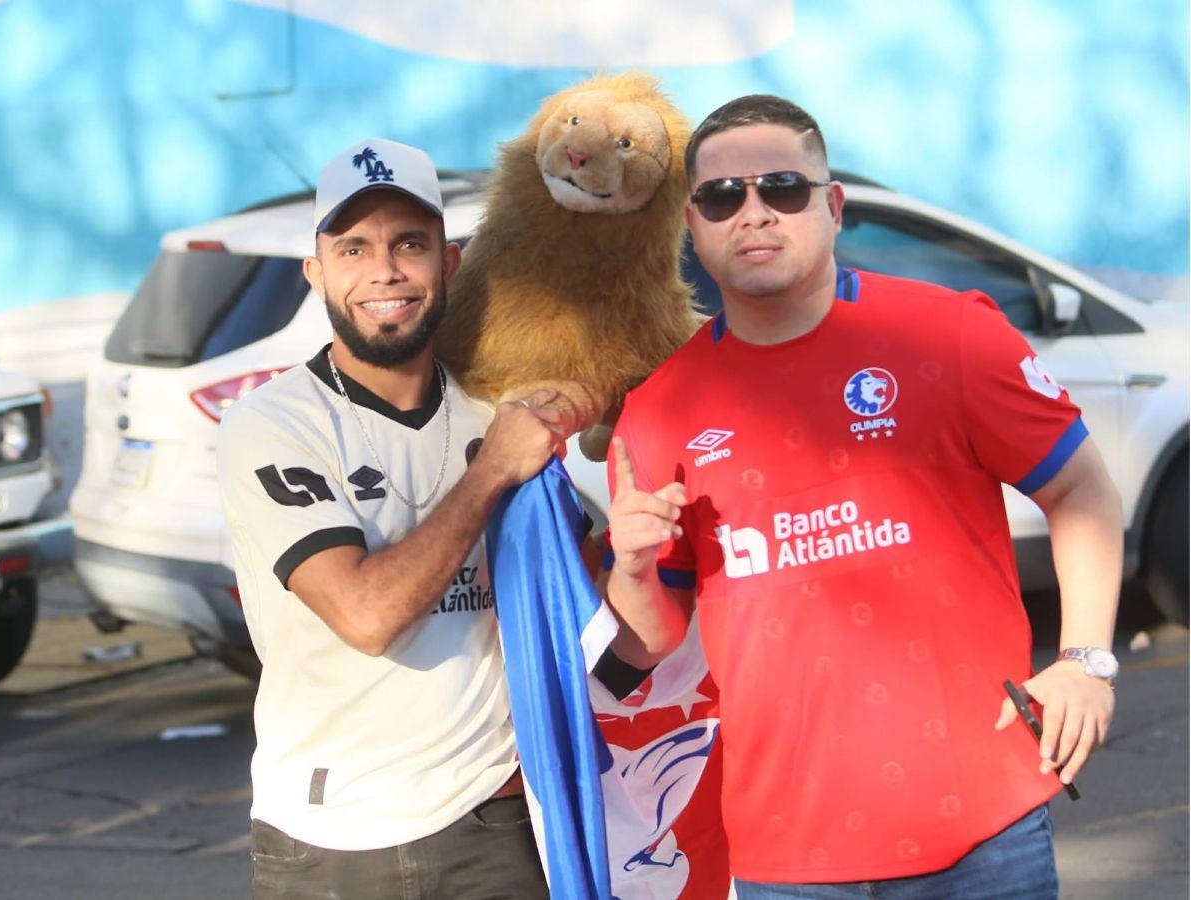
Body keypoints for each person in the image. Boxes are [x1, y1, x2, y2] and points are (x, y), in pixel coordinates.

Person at [603, 95, 1123, 898]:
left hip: (984, 830)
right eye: (721, 197)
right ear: (692, 226)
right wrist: (631, 574)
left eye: (782, 188)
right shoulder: (660, 411)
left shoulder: (947, 336)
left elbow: (1080, 487)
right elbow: (653, 639)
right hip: (787, 854)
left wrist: (1086, 661)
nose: (754, 214)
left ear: (832, 206)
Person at [217, 137, 559, 899]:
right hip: (329, 837)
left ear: (451, 261)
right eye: (354, 247)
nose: (385, 271)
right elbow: (366, 614)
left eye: (410, 243)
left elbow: (585, 611)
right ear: (317, 272)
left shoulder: (496, 410)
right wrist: (493, 470)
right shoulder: (272, 425)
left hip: (491, 825)